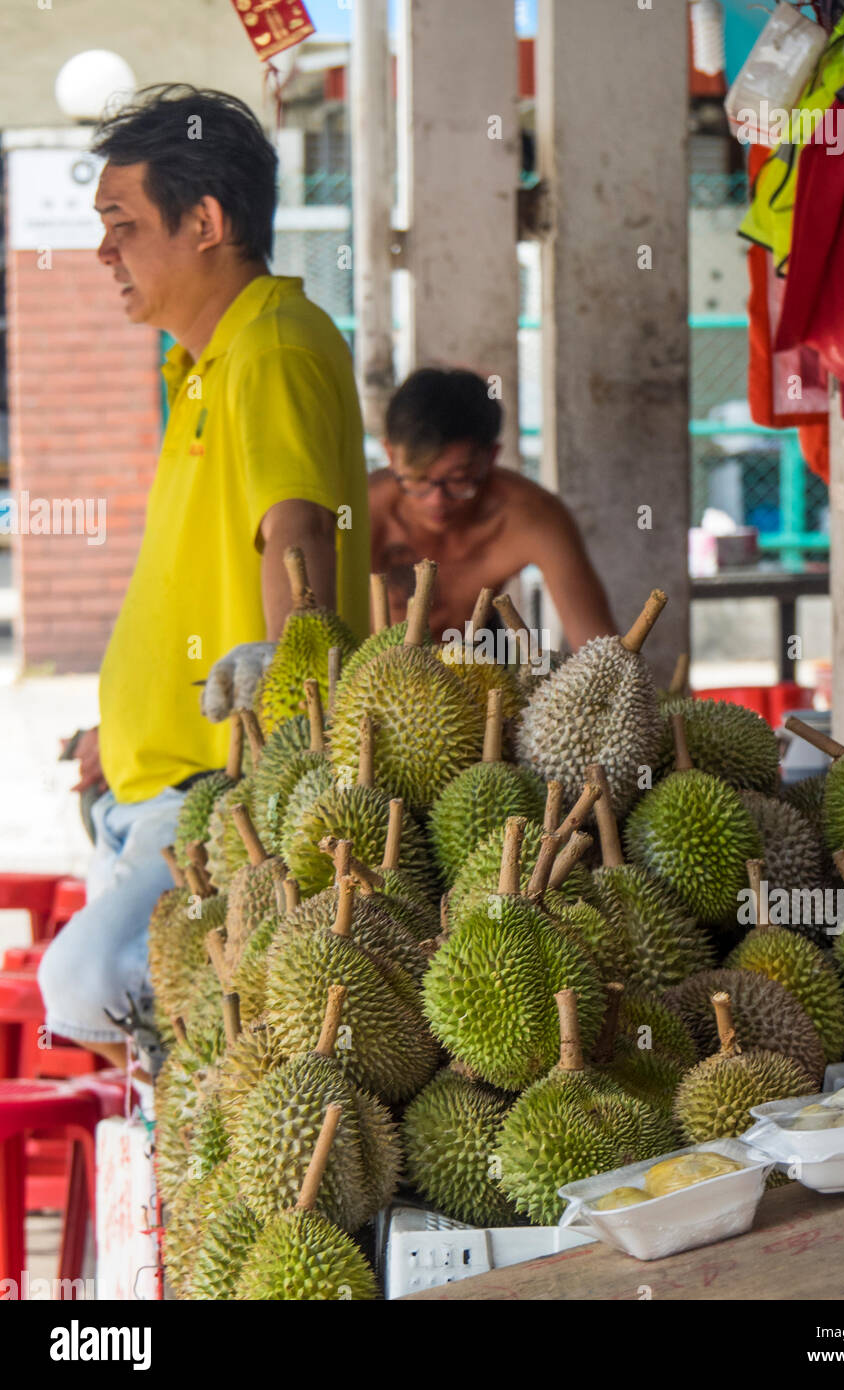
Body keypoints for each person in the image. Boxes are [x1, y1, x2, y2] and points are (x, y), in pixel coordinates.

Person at [39, 85, 369, 1073]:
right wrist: (123, 731)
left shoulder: (268, 341)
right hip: (155, 787)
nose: (105, 252)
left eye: (122, 224)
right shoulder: (205, 363)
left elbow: (294, 534)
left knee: (83, 982)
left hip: (219, 797)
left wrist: (278, 734)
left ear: (207, 223)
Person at [369, 368, 616, 647]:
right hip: (374, 676)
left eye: (459, 480)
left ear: (491, 457)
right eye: (416, 479)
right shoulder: (364, 512)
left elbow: (598, 645)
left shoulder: (532, 516)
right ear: (390, 456)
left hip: (480, 664)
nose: (435, 500)